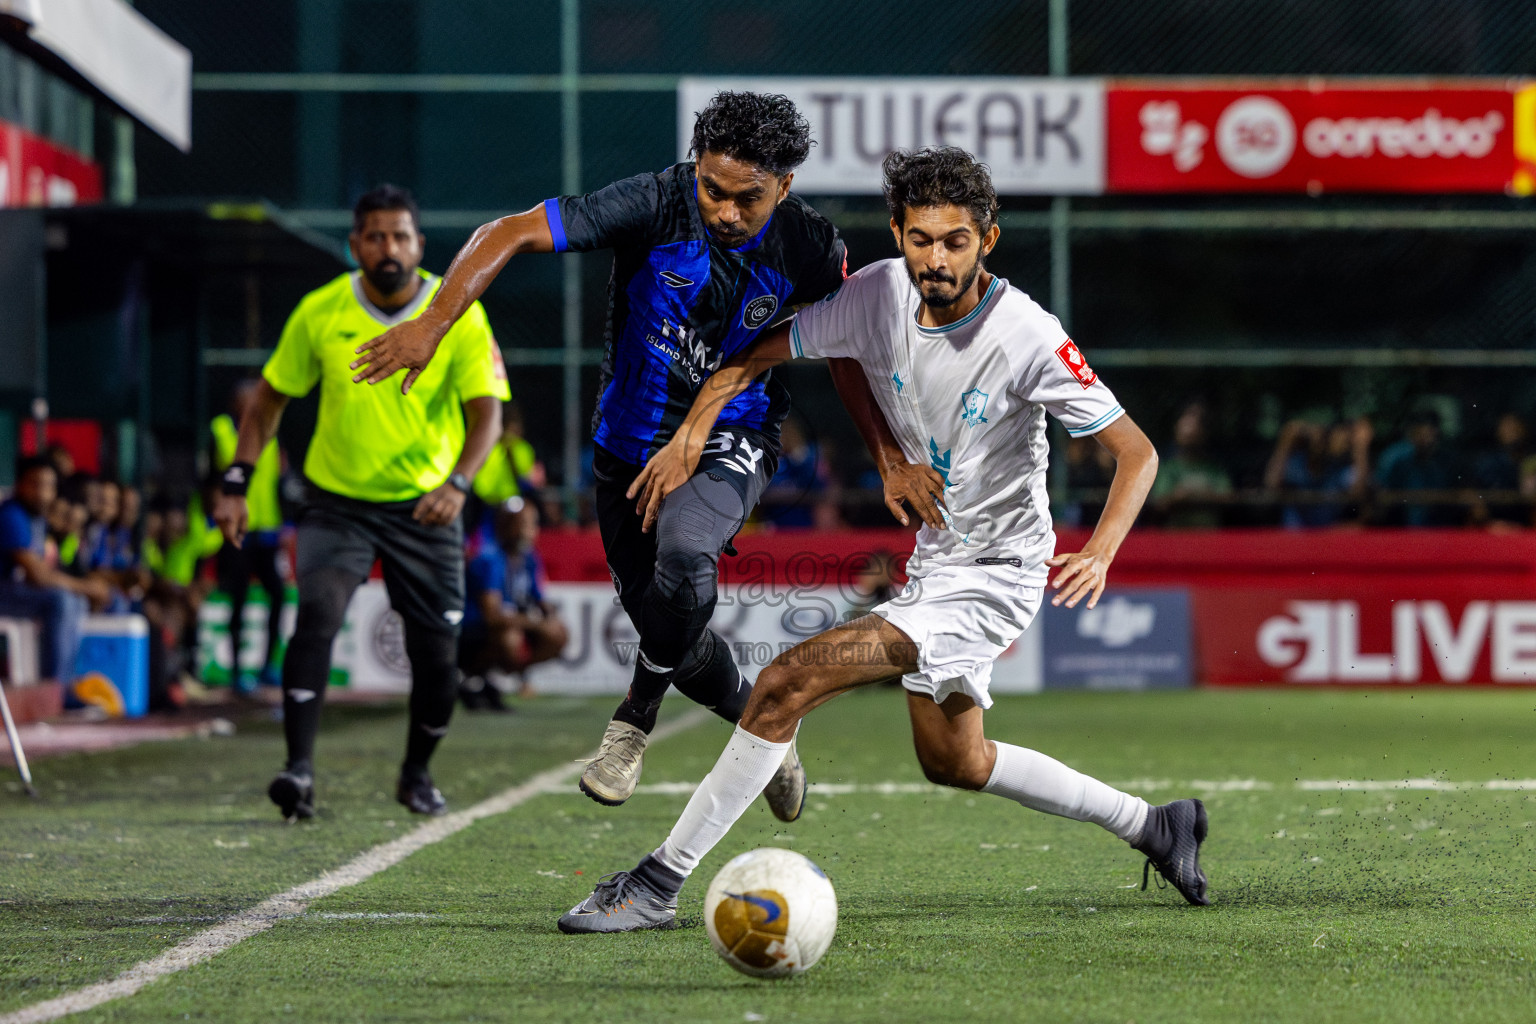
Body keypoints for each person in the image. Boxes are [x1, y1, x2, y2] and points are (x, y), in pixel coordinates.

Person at [558, 147, 1208, 935]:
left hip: (997, 574)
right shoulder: (873, 296)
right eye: (922, 239)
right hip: (937, 565)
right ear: (898, 232)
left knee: (784, 685)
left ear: (988, 241)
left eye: (956, 242)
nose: (936, 260)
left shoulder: (1028, 335)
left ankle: (657, 885)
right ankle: (1155, 825)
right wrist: (698, 431)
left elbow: (1136, 452)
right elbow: (754, 354)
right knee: (955, 760)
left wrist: (1100, 551)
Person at [350, 92, 908, 818]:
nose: (726, 212)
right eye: (713, 189)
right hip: (625, 447)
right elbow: (507, 232)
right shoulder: (651, 202)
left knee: (686, 555)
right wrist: (432, 323)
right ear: (695, 169)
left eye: (750, 198)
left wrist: (888, 455)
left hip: (733, 434)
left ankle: (630, 725)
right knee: (669, 623)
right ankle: (769, 731)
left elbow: (841, 350)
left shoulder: (810, 248)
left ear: (786, 187)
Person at [213, 184, 508, 822]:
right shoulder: (320, 311)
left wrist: (457, 483)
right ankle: (297, 771)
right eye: (375, 236)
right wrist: (237, 479)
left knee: (437, 652)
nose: (388, 247)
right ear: (356, 246)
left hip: (424, 506)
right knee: (315, 612)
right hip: (335, 502)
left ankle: (417, 774)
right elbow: (267, 400)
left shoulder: (454, 309)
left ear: (419, 244)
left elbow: (487, 412)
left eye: (400, 235)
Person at [0, 457, 111, 691]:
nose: (42, 493)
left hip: (17, 591)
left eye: (49, 486)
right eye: (35, 484)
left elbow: (49, 569)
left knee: (74, 601)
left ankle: (70, 682)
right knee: (61, 600)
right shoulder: (12, 514)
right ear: (20, 484)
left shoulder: (38, 519)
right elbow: (37, 575)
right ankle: (56, 688)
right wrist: (85, 587)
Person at [212, 381, 287, 691]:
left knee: (278, 595)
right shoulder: (220, 432)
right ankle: (238, 671)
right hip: (238, 528)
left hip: (267, 529)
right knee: (238, 598)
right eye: (248, 400)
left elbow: (280, 479)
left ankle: (270, 665)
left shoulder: (269, 432)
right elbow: (211, 477)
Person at [458, 496, 567, 709]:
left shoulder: (529, 558)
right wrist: (536, 623)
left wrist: (548, 614)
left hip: (510, 623)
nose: (530, 530)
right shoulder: (489, 558)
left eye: (532, 523)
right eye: (523, 523)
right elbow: (492, 615)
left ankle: (494, 677)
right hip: (472, 630)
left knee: (557, 634)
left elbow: (538, 599)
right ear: (505, 525)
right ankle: (473, 675)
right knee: (510, 639)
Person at [1262, 416, 1371, 528]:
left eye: (1324, 437)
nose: (1318, 444)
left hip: (1325, 537)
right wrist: (1285, 443)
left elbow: (1358, 491)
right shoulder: (1296, 464)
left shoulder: (1338, 469)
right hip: (1295, 535)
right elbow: (1271, 484)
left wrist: (1360, 448)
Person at [1150, 400, 1231, 528]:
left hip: (1210, 537)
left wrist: (1195, 496)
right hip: (1176, 538)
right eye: (1186, 423)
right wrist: (1178, 498)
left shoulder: (1215, 470)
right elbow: (1159, 503)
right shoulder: (1167, 469)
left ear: (1204, 432)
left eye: (1196, 423)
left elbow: (1228, 500)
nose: (1189, 429)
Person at [1375, 408, 1462, 526]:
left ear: (1436, 432)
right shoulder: (1396, 460)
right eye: (1418, 432)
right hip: (1400, 528)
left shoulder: (1447, 462)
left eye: (1428, 431)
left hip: (1439, 529)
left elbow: (1458, 494)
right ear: (1410, 433)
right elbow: (1382, 492)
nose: (1423, 437)